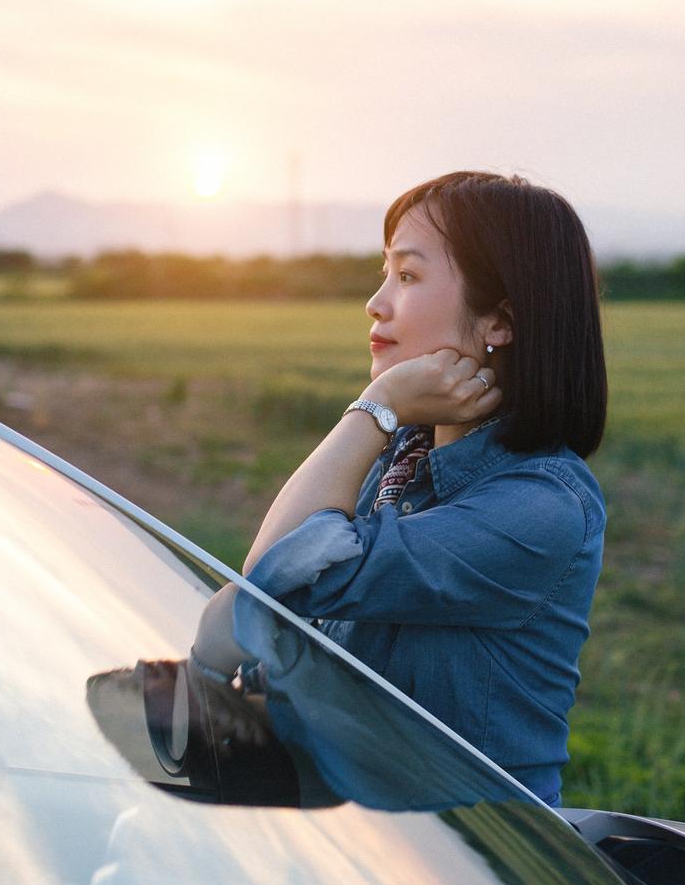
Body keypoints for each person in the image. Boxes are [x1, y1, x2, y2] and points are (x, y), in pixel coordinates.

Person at [193, 170, 607, 807]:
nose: (376, 302)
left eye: (408, 277)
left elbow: (275, 582)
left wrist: (376, 405)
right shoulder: (400, 466)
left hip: (480, 868)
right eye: (384, 272)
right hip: (361, 844)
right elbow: (256, 605)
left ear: (499, 322)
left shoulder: (540, 507)